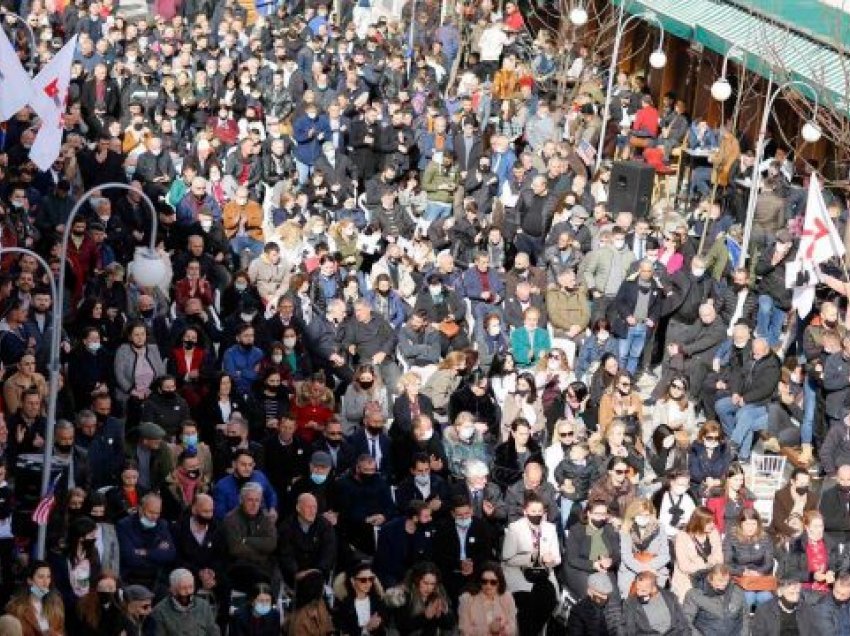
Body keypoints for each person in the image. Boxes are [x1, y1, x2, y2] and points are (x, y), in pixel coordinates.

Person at [501, 493, 560, 636]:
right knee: (526, 602)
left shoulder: (550, 528)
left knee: (550, 598)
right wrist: (533, 557)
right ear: (525, 511)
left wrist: (550, 560)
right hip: (518, 573)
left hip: (543, 573)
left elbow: (557, 558)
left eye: (540, 512)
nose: (537, 514)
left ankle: (536, 631)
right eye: (533, 511)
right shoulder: (515, 528)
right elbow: (507, 558)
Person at [220, 482, 278, 593]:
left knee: (274, 573)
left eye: (257, 500)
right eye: (250, 500)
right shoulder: (231, 519)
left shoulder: (266, 518)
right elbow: (235, 548)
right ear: (241, 500)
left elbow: (271, 543)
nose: (254, 504)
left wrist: (246, 540)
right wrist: (261, 551)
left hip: (265, 565)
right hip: (239, 565)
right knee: (259, 577)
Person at [563, 498, 620, 599]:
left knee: (613, 596)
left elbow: (617, 553)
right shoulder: (577, 530)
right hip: (581, 569)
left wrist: (611, 561)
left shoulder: (609, 529)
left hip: (604, 569)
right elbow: (572, 559)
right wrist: (594, 565)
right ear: (589, 513)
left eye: (604, 514)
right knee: (592, 596)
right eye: (597, 514)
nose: (601, 518)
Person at [724, 507, 776, 609]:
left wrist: (758, 572)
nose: (750, 528)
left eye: (753, 524)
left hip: (760, 580)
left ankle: (762, 623)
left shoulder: (765, 538)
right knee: (749, 596)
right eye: (747, 524)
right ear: (741, 524)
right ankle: (747, 622)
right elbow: (727, 563)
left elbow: (769, 563)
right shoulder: (731, 537)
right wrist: (742, 572)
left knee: (767, 597)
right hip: (739, 580)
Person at [671, 506, 723, 602]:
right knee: (690, 600)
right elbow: (684, 566)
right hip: (687, 578)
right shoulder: (682, 536)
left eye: (713, 521)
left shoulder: (713, 533)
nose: (712, 525)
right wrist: (705, 565)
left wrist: (709, 564)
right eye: (708, 522)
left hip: (709, 576)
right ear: (698, 522)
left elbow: (719, 558)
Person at [149, 568, 220, 635]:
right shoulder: (159, 612)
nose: (188, 592)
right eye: (183, 588)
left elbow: (213, 631)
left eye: (191, 587)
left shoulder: (203, 605)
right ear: (172, 590)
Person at [683, 564, 748, 635]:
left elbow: (745, 618)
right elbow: (686, 621)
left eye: (726, 580)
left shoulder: (736, 591)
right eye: (720, 581)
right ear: (710, 579)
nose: (723, 584)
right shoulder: (694, 594)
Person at [391, 562, 455, 634]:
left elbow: (450, 625)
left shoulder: (438, 593)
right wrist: (425, 616)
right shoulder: (404, 594)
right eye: (425, 583)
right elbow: (401, 627)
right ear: (417, 580)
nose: (429, 588)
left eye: (432, 584)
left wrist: (443, 614)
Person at [4, 561, 65, 636]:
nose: (46, 582)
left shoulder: (56, 604)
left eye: (48, 577)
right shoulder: (16, 608)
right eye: (41, 577)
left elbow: (61, 631)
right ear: (30, 580)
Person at [457, 562, 518, 635]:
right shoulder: (467, 599)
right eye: (484, 581)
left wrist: (501, 629)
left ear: (499, 583)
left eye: (493, 582)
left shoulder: (507, 597)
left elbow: (512, 627)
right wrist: (489, 629)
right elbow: (464, 630)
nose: (488, 586)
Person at [622, 571, 690, 635]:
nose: (639, 593)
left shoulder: (670, 597)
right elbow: (631, 631)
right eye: (637, 589)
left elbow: (683, 624)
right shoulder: (630, 604)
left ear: (654, 588)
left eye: (643, 591)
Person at [332, 562, 388, 636]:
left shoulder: (377, 601)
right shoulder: (344, 605)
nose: (368, 583)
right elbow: (344, 630)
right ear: (352, 581)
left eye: (371, 579)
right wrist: (365, 629)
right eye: (363, 580)